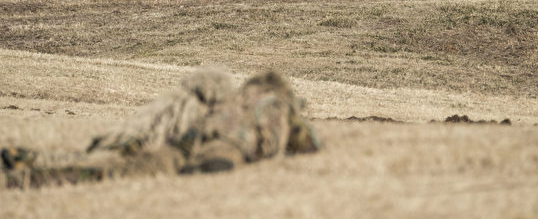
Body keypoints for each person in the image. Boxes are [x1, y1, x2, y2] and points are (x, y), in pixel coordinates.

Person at [0, 68, 320, 188]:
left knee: (110, 171)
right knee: (112, 171)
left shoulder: (226, 100)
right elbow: (307, 145)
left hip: (184, 146)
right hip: (220, 151)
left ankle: (29, 173)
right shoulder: (276, 103)